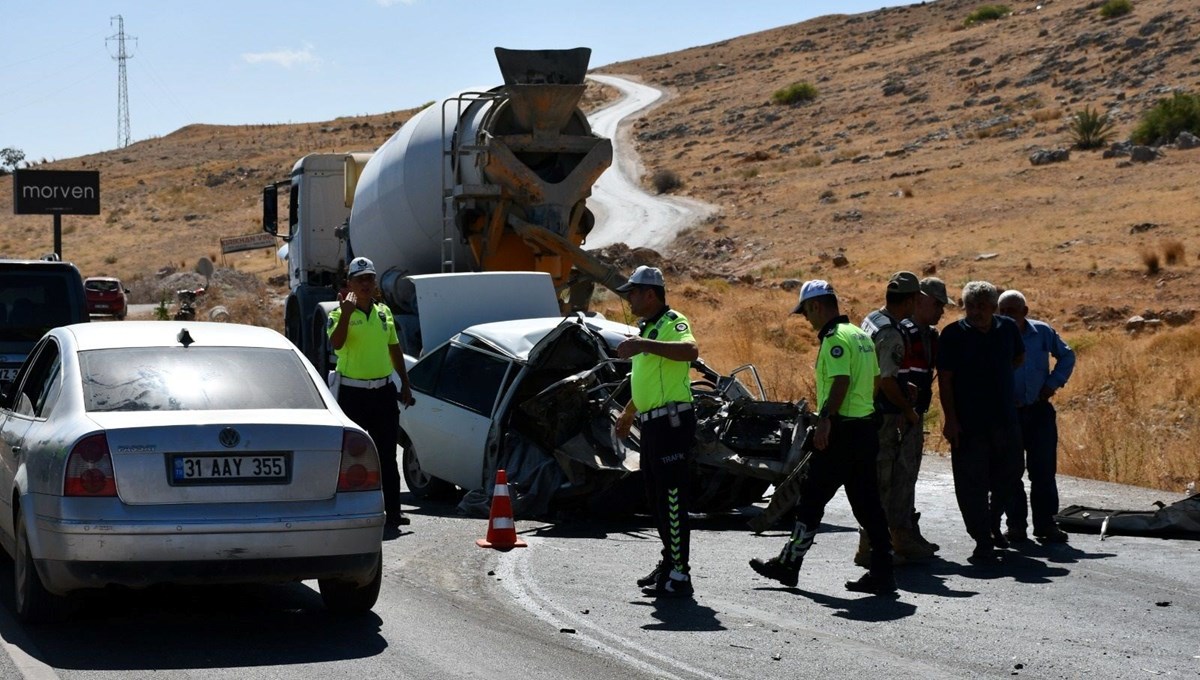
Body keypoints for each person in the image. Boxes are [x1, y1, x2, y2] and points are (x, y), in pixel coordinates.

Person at [749, 280, 896, 595]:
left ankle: (789, 564)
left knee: (811, 500)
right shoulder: (861, 335)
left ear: (816, 306)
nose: (805, 318)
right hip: (865, 429)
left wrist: (827, 420)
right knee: (869, 506)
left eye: (805, 312)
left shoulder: (834, 339)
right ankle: (884, 571)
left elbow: (841, 381)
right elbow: (875, 381)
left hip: (841, 432)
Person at [614, 266, 700, 598]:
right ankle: (669, 562)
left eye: (633, 293)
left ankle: (680, 574)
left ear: (650, 294)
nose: (629, 299)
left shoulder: (672, 322)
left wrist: (644, 345)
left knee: (672, 499)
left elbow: (691, 351)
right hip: (652, 423)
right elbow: (649, 380)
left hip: (672, 424)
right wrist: (629, 411)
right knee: (656, 499)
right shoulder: (649, 329)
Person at [937, 281, 1024, 564]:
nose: (977, 312)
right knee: (971, 484)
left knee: (1010, 474)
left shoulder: (1008, 329)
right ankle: (982, 539)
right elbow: (946, 380)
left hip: (1005, 420)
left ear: (993, 307)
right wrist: (951, 419)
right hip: (968, 424)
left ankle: (992, 522)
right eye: (971, 306)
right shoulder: (952, 334)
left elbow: (1017, 357)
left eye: (983, 306)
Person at [328, 256, 416, 532]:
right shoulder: (338, 313)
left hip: (382, 392)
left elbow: (394, 348)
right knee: (350, 456)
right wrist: (345, 313)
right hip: (353, 395)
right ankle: (348, 511)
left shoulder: (383, 313)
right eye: (360, 279)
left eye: (369, 278)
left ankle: (393, 511)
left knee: (387, 454)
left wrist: (404, 381)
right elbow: (337, 344)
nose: (366, 283)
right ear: (349, 283)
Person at [857, 271, 934, 565]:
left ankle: (889, 543)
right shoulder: (891, 332)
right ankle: (872, 551)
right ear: (912, 300)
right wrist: (907, 409)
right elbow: (886, 381)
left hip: (869, 409)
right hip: (884, 417)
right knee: (883, 484)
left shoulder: (873, 319)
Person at [997, 290, 1076, 544]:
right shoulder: (994, 335)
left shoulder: (1042, 332)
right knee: (1011, 472)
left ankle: (1046, 524)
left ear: (1025, 312)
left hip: (1039, 410)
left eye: (1013, 310)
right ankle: (1016, 526)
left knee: (1043, 471)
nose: (1008, 315)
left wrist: (1053, 384)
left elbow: (1067, 355)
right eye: (1003, 310)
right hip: (1008, 414)